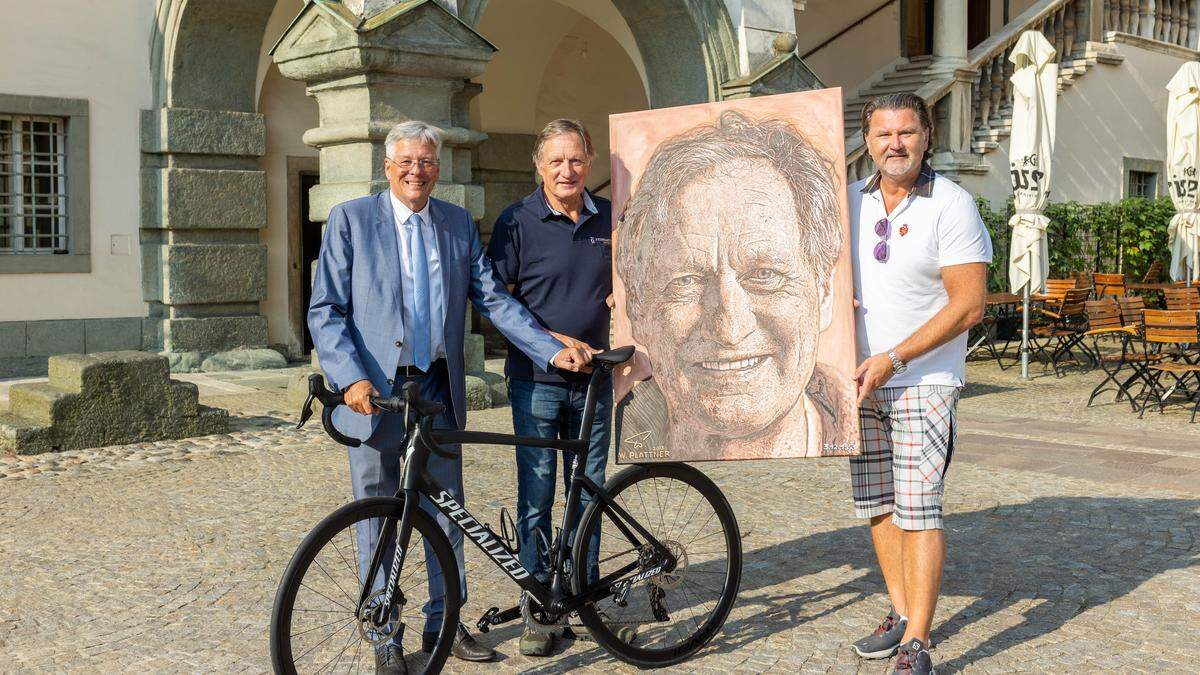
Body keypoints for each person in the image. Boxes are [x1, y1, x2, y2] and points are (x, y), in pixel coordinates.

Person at [308, 120, 592, 672]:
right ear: (388, 167)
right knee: (379, 513)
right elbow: (326, 310)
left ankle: (447, 621)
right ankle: (385, 632)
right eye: (407, 162)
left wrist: (547, 347)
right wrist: (350, 379)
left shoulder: (457, 223)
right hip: (377, 390)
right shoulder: (351, 220)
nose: (418, 171)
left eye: (428, 162)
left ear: (438, 169)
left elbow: (493, 298)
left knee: (447, 510)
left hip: (435, 386)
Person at [615, 110, 857, 462]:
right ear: (637, 308)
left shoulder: (877, 430)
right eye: (686, 281)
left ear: (824, 292)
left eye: (765, 275)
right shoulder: (618, 431)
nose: (730, 327)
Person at [846, 93, 991, 675]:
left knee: (919, 509)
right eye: (883, 134)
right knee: (878, 505)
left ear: (927, 136)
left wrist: (895, 358)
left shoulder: (952, 205)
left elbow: (970, 306)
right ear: (868, 140)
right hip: (857, 379)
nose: (895, 144)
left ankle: (919, 642)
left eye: (907, 132)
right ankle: (902, 612)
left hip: (923, 379)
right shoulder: (849, 201)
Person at [485, 119, 616, 656]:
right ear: (538, 166)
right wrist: (547, 338)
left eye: (576, 160)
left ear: (590, 162)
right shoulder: (517, 221)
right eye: (556, 161)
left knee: (587, 491)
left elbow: (636, 278)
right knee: (537, 495)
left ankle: (585, 598)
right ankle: (539, 605)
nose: (567, 170)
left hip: (597, 380)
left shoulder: (610, 215)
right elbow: (496, 297)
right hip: (536, 381)